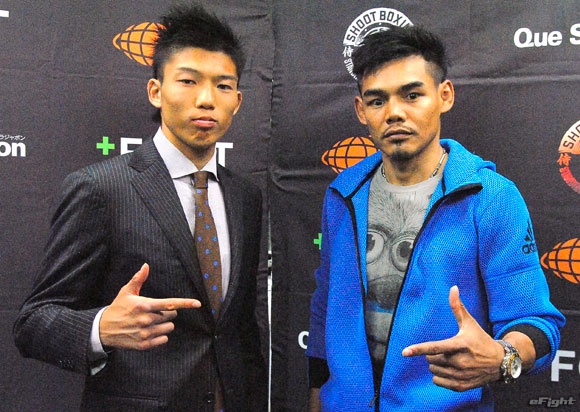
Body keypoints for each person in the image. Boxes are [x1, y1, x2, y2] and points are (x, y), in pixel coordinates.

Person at [13, 4, 267, 411]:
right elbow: (33, 323)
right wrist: (101, 328)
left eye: (223, 86)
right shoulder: (102, 188)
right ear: (156, 91)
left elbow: (239, 327)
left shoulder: (245, 197)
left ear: (237, 101)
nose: (206, 99)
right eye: (188, 81)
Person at [306, 26, 565, 412]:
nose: (394, 112)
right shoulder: (343, 194)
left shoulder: (489, 197)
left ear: (445, 96)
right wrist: (318, 392)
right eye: (377, 100)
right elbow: (325, 307)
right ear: (361, 110)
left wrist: (502, 357)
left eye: (412, 95)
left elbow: (536, 322)